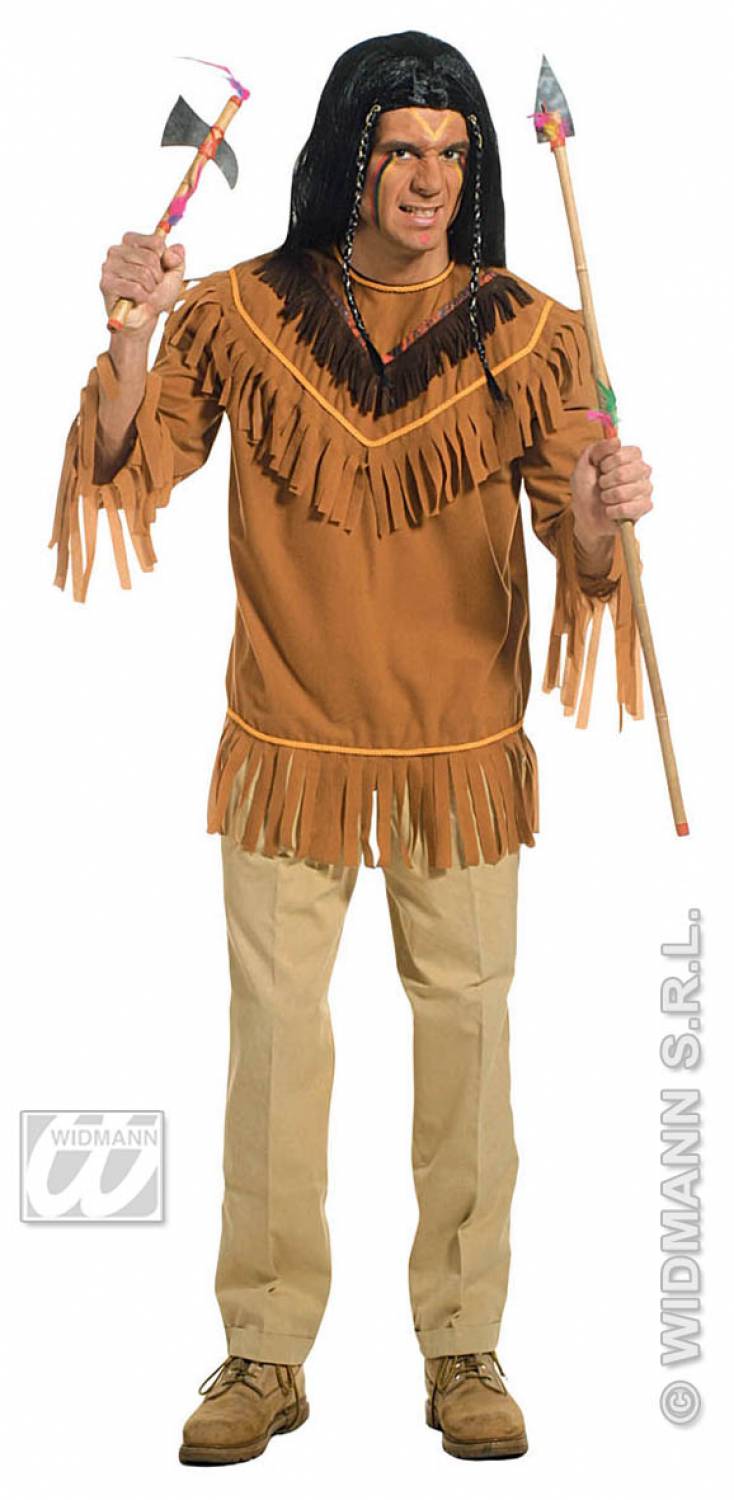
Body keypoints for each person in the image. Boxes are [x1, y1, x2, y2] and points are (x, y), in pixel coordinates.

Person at [49, 31, 653, 1466]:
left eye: (450, 153)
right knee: (274, 1043)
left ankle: (463, 1344)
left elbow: (579, 543)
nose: (428, 179)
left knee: (468, 1039)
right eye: (401, 151)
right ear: (350, 157)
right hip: (291, 734)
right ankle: (264, 1351)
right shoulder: (242, 313)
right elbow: (134, 462)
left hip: (458, 743)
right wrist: (129, 338)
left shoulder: (532, 331)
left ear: (474, 168)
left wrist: (596, 515)